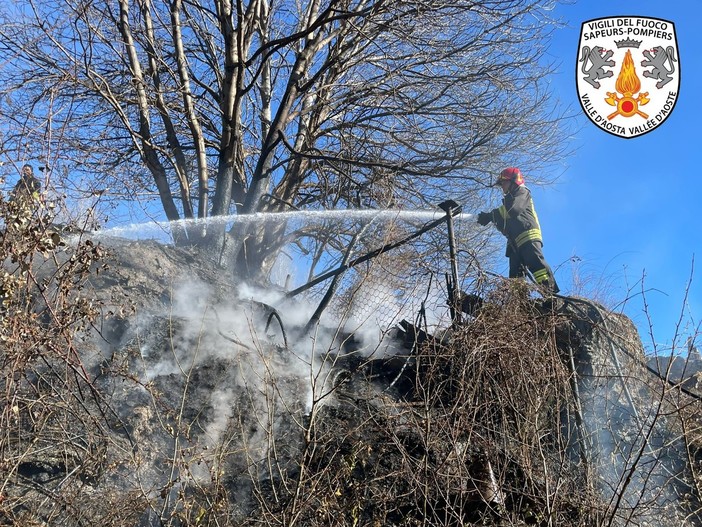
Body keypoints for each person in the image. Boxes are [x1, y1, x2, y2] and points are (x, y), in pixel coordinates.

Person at [476, 167, 559, 294]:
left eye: (503, 182)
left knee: (537, 266)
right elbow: (505, 224)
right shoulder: (509, 200)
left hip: (528, 236)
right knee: (515, 277)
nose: (502, 186)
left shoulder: (522, 192)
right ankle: (519, 304)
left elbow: (514, 210)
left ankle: (550, 296)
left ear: (513, 181)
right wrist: (490, 218)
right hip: (515, 243)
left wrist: (492, 215)